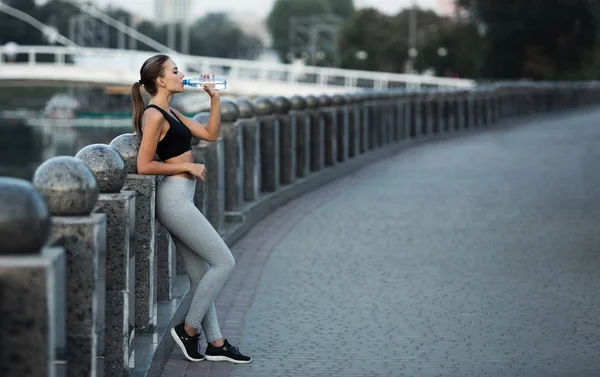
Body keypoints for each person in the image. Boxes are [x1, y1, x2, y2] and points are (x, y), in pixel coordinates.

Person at [131, 54, 251, 364]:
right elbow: (144, 166)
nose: (181, 74)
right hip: (173, 200)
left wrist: (214, 99)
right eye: (175, 70)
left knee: (200, 275)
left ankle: (216, 343)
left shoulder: (170, 110)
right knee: (224, 261)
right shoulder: (154, 115)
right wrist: (187, 166)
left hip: (183, 197)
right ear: (160, 80)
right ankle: (188, 329)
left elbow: (210, 134)